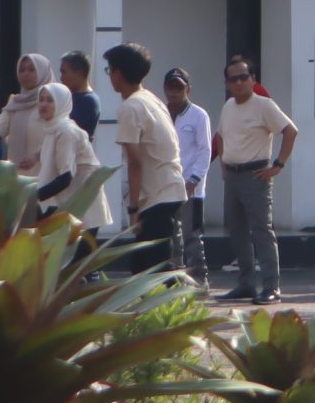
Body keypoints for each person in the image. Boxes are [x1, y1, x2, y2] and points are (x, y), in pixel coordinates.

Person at [213, 54, 296, 304]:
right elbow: (221, 136)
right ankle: (246, 283)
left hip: (256, 175)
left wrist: (278, 164)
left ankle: (272, 286)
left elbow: (290, 131)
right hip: (233, 176)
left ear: (253, 79)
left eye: (243, 77)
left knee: (261, 231)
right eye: (233, 79)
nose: (239, 83)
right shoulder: (228, 106)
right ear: (226, 83)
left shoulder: (264, 105)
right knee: (236, 230)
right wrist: (224, 165)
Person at [104, 44, 186, 277]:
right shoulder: (151, 99)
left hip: (157, 196)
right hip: (170, 188)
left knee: (151, 270)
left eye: (109, 70)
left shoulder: (130, 107)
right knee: (145, 266)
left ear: (118, 73)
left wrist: (133, 208)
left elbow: (135, 161)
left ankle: (186, 297)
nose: (109, 76)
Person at [26, 80, 114, 232]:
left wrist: (32, 197)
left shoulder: (66, 131)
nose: (43, 104)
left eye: (50, 100)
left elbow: (65, 177)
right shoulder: (53, 130)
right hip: (69, 208)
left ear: (62, 103)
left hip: (84, 211)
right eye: (41, 99)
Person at [165, 69, 211, 285]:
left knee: (192, 236)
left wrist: (194, 179)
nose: (174, 92)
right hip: (167, 185)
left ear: (188, 90)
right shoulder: (161, 114)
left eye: (179, 88)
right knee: (171, 236)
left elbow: (205, 150)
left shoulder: (198, 115)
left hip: (191, 186)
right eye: (171, 87)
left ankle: (199, 281)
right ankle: (176, 282)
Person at [0, 52, 49, 159]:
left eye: (32, 69)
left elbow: (58, 138)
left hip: (45, 166)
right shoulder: (16, 102)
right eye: (21, 70)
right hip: (18, 167)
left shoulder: (54, 102)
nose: (25, 74)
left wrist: (36, 157)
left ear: (43, 72)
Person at [59, 51, 101, 138]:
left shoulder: (88, 101)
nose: (61, 78)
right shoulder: (72, 96)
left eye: (64, 72)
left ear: (79, 73)